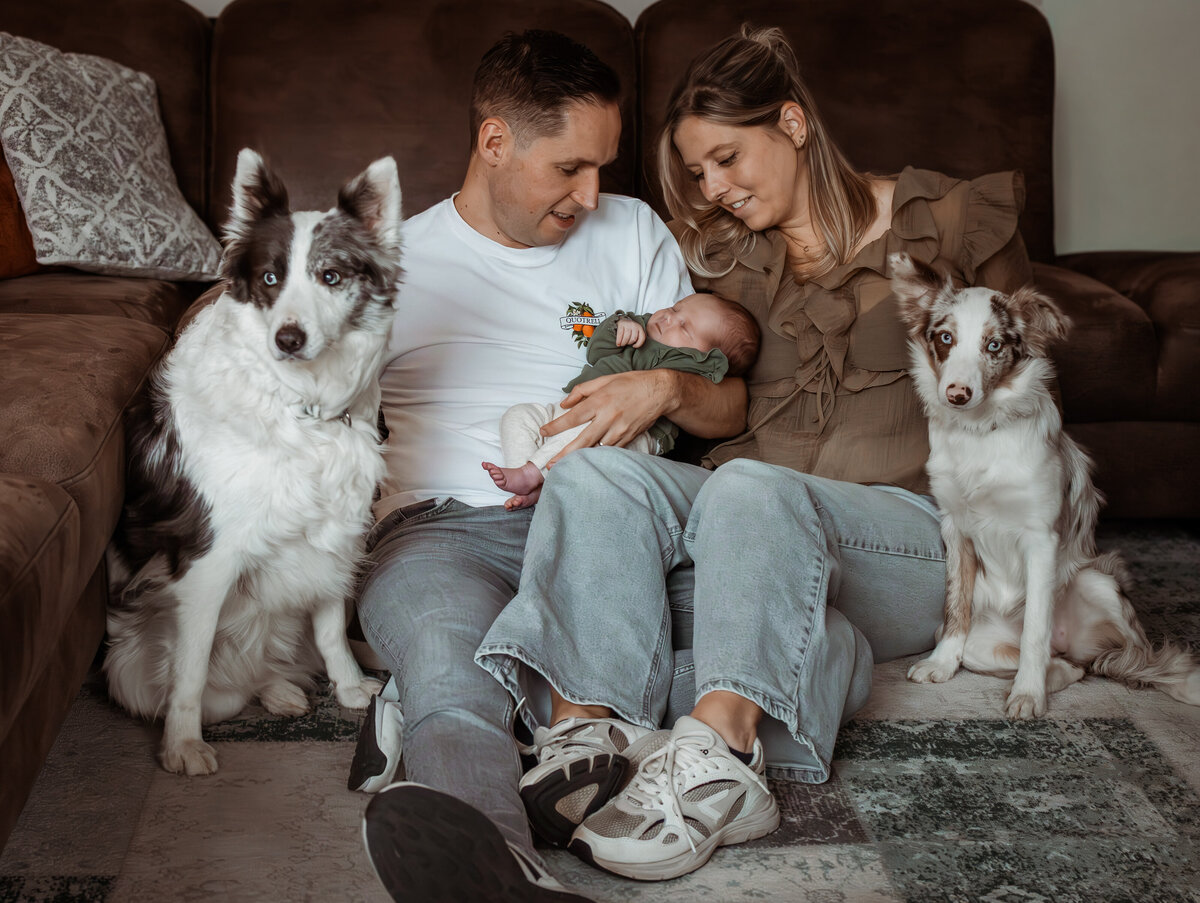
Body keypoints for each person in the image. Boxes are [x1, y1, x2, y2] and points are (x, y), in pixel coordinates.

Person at [474, 24, 1035, 881]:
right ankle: (589, 732)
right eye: (699, 174)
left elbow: (1031, 398)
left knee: (749, 490)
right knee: (596, 474)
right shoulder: (727, 260)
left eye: (729, 159)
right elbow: (690, 379)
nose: (716, 188)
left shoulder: (949, 220)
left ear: (794, 124)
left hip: (907, 533)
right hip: (756, 535)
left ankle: (723, 758)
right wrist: (655, 385)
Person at [354, 29, 746, 902]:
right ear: (495, 141)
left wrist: (664, 392)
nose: (591, 194)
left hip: (611, 523)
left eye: (601, 167)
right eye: (570, 168)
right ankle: (499, 868)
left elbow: (730, 405)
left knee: (771, 638)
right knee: (450, 661)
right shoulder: (391, 264)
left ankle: (472, 700)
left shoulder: (635, 231)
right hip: (441, 532)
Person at [482, 291, 759, 508]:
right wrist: (619, 326)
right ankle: (528, 476)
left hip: (636, 431)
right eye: (675, 308)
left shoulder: (692, 366)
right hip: (570, 407)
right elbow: (595, 353)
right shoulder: (638, 326)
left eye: (685, 328)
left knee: (588, 438)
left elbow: (717, 390)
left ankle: (532, 473)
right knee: (519, 415)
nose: (668, 318)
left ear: (710, 358)